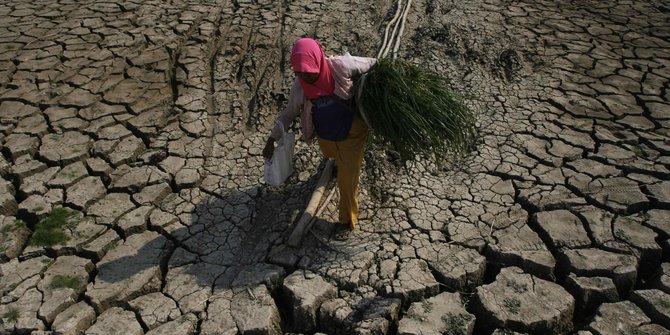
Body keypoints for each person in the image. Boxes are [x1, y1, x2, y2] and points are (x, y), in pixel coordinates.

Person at [263, 37, 376, 239]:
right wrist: (272, 139)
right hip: (327, 132)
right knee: (330, 153)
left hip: (353, 130)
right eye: (299, 72)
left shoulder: (341, 67)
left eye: (307, 70)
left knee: (348, 177)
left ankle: (347, 221)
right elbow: (288, 115)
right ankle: (336, 163)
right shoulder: (299, 87)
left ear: (317, 60)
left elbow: (373, 63)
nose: (305, 76)